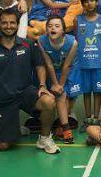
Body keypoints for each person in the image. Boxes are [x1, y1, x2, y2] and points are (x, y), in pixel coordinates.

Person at [0, 10, 59, 153]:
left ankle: (45, 138)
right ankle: (13, 127)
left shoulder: (28, 45)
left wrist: (42, 85)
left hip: (25, 93)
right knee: (3, 146)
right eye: (4, 23)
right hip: (2, 99)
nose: (9, 26)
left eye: (12, 22)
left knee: (49, 101)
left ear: (17, 24)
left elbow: (39, 65)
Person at [38, 16, 80, 144]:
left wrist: (59, 85)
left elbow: (67, 65)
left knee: (63, 95)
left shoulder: (72, 42)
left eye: (57, 26)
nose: (53, 28)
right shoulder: (41, 40)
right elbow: (48, 64)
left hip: (69, 69)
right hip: (52, 70)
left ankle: (63, 127)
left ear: (63, 30)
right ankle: (63, 128)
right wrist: (55, 84)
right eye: (50, 26)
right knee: (58, 95)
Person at [76, 0, 101, 131]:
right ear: (83, 4)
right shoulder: (77, 20)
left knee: (97, 92)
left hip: (100, 62)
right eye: (86, 1)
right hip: (84, 63)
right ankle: (88, 118)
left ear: (97, 2)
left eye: (92, 1)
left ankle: (96, 118)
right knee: (86, 92)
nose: (89, 4)